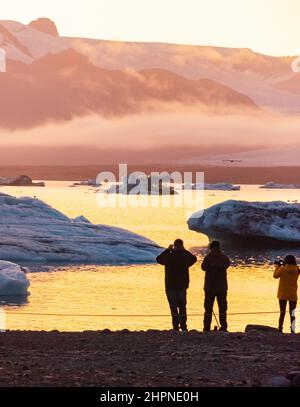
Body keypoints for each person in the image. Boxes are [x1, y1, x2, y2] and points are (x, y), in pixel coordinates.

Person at [156, 239, 197, 331]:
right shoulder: (185, 256)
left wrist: (168, 250)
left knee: (173, 306)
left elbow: (158, 259)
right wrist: (184, 250)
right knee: (182, 306)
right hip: (182, 285)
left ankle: (175, 326)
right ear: (182, 245)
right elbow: (194, 258)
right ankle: (183, 326)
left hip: (170, 285)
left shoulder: (169, 256)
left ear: (174, 245)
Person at [201, 241, 231, 332]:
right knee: (222, 308)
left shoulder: (208, 257)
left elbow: (203, 267)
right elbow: (227, 264)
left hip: (209, 287)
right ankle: (224, 327)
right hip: (222, 287)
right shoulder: (224, 257)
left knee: (208, 309)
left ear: (211, 247)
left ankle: (206, 327)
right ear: (219, 247)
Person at [273, 255, 299, 333]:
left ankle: (280, 328)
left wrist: (278, 266)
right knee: (292, 313)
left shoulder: (282, 269)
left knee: (282, 312)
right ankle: (293, 329)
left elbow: (275, 276)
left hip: (282, 294)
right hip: (293, 294)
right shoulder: (297, 269)